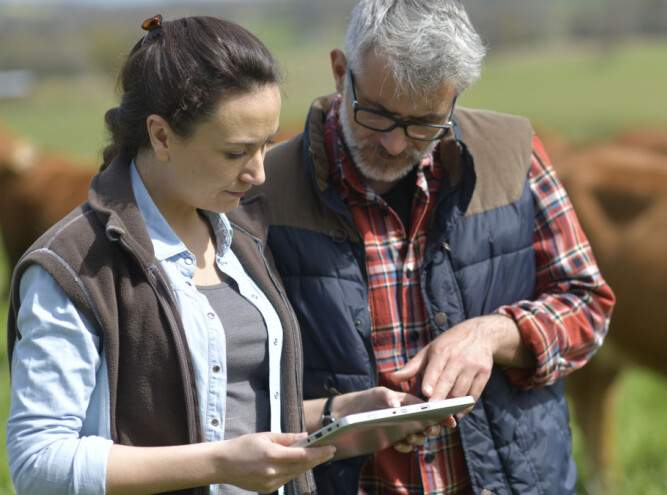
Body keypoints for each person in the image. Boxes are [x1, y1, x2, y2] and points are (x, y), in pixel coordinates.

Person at [6, 14, 437, 495]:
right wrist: (218, 464)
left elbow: (233, 413)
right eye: (236, 152)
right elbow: (37, 461)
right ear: (161, 136)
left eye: (267, 144)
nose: (259, 173)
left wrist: (344, 415)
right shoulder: (74, 265)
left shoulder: (242, 237)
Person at [247, 1, 617, 493]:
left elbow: (587, 305)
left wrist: (496, 334)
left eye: (424, 122)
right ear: (341, 72)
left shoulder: (513, 154)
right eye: (376, 115)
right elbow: (231, 379)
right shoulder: (261, 193)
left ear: (455, 97)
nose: (397, 144)